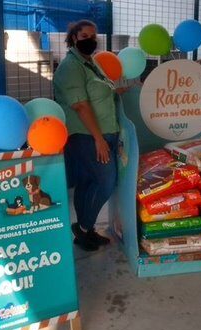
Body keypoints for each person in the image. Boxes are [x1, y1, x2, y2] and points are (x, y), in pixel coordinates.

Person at [53, 20, 124, 251]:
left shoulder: (91, 63)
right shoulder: (70, 67)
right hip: (87, 136)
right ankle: (84, 227)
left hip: (101, 134)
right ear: (73, 38)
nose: (90, 40)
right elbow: (81, 106)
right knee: (106, 181)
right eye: (84, 36)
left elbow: (102, 92)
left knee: (88, 182)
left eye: (93, 36)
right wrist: (99, 139)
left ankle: (86, 231)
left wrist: (129, 90)